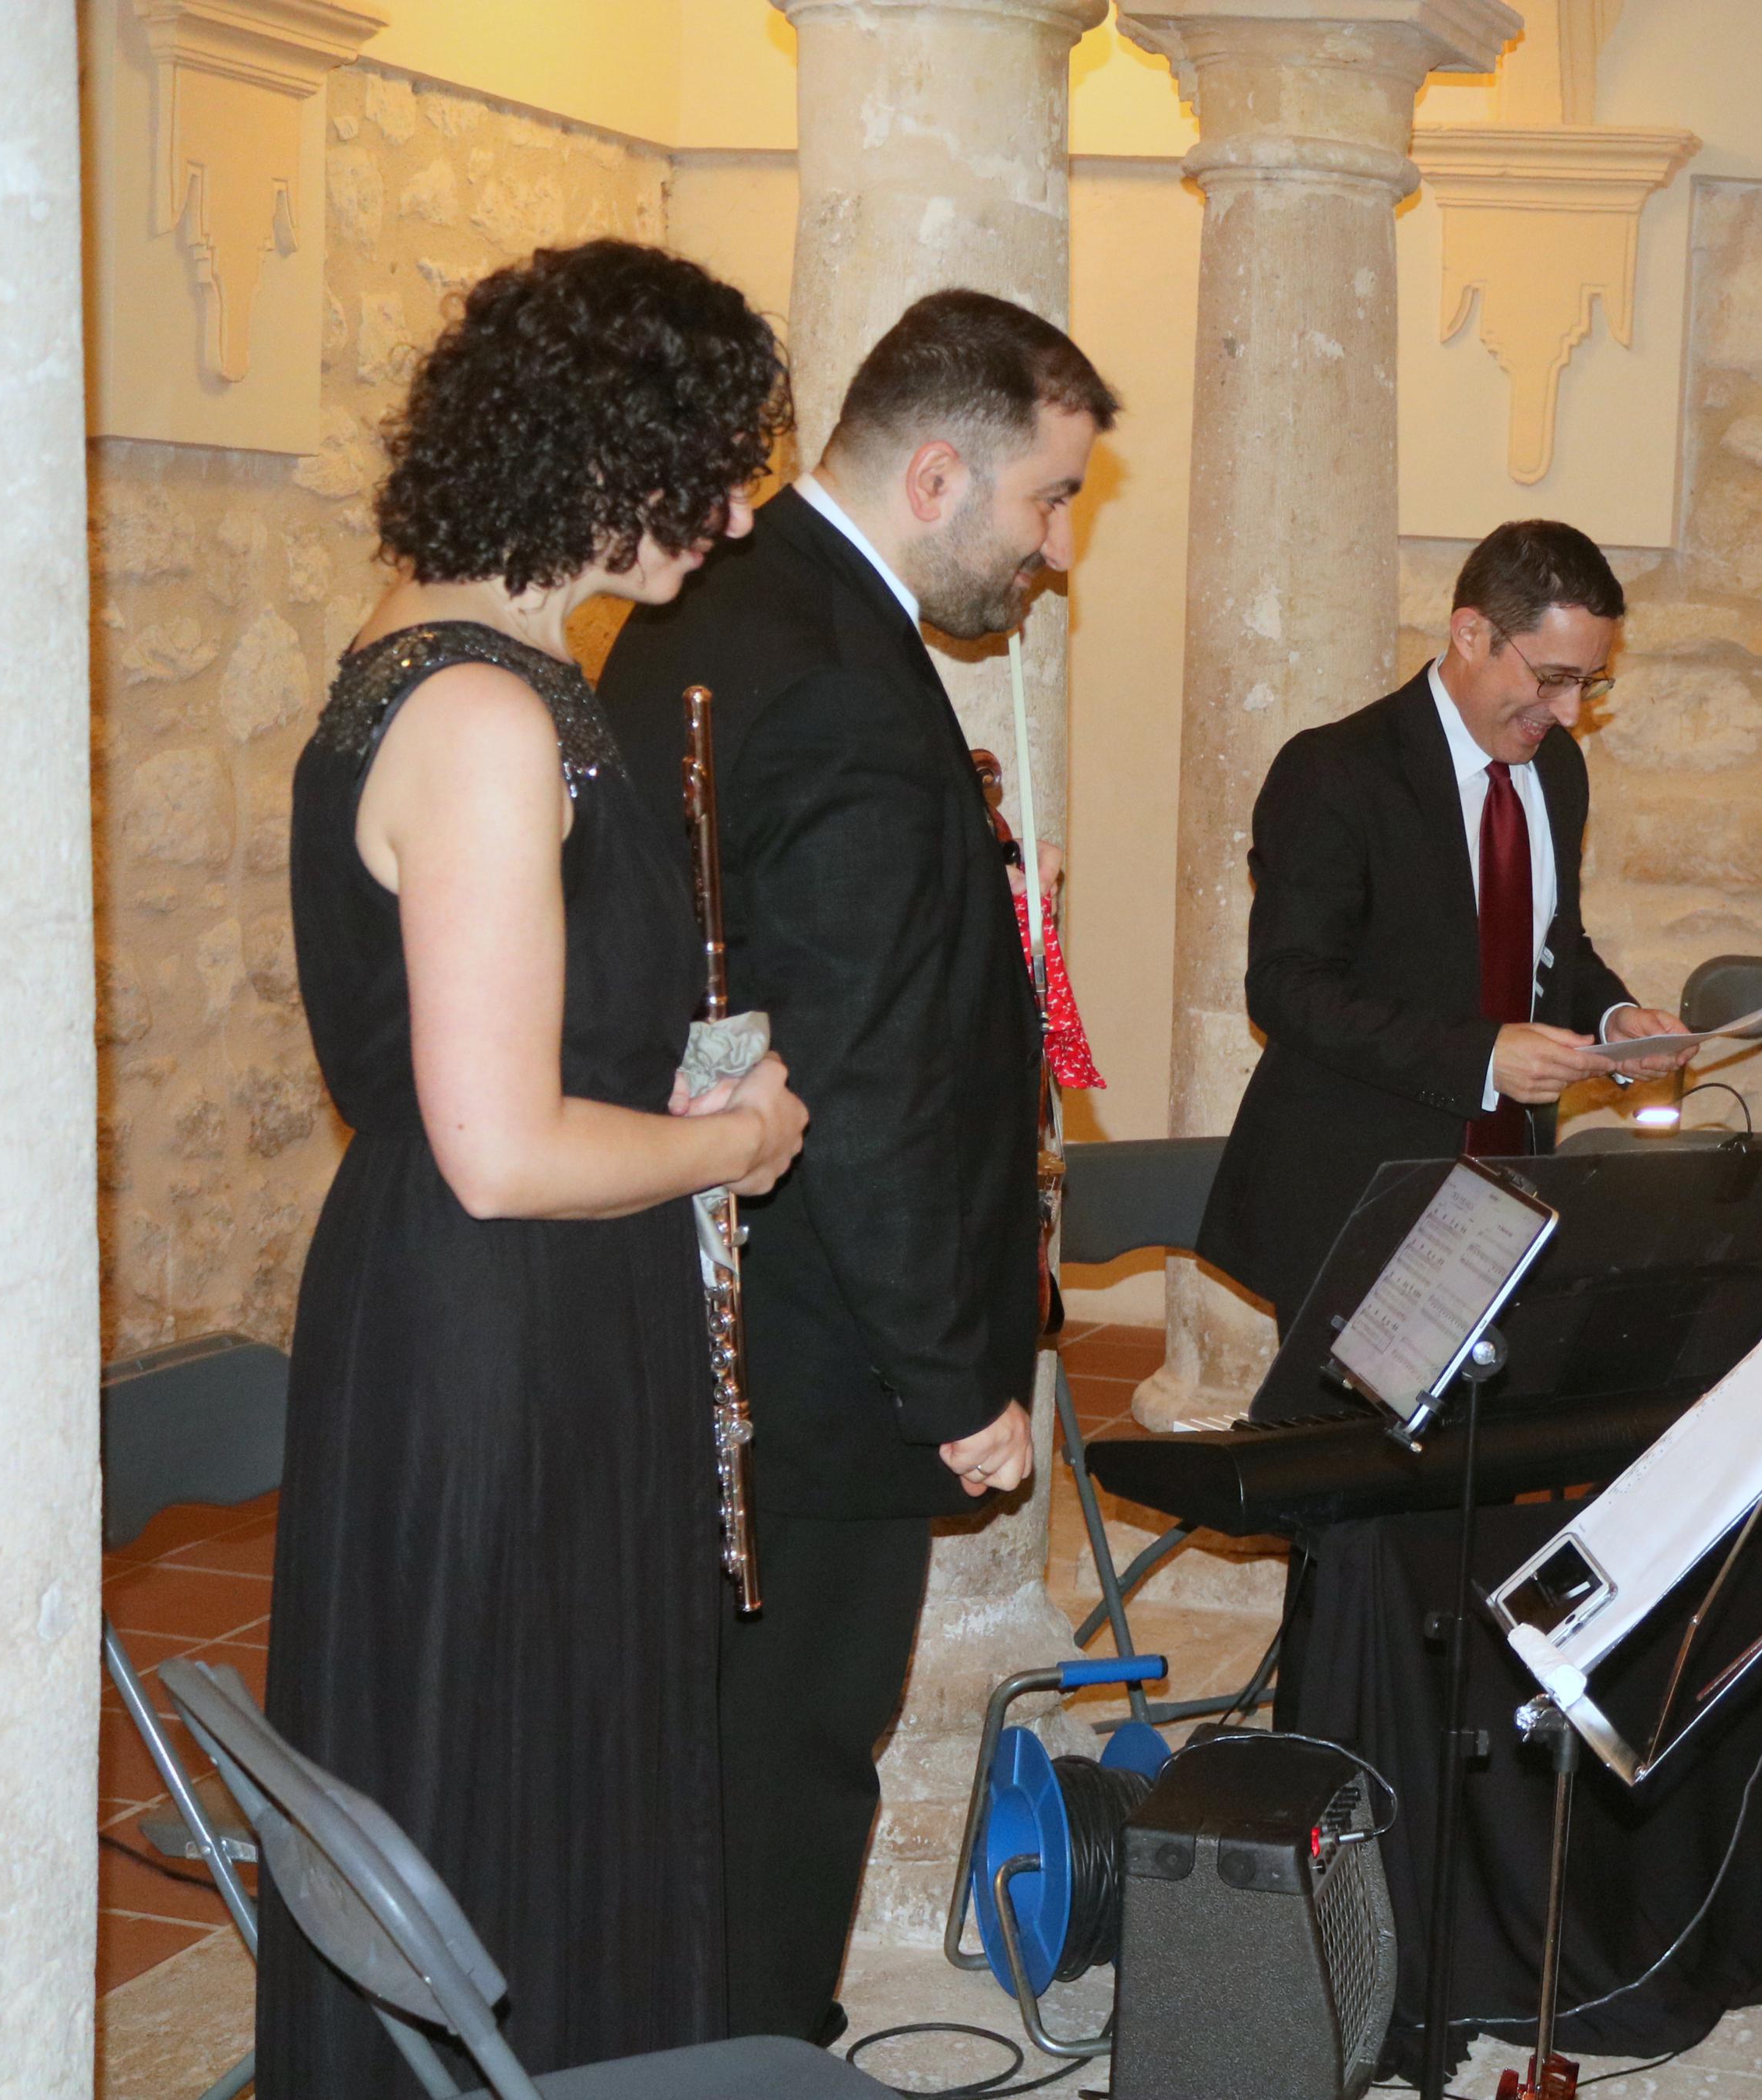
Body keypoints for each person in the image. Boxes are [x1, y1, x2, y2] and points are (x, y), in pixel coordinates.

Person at [265, 241, 807, 2091]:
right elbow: (498, 1147)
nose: (734, 516)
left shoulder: (448, 658)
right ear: (598, 449)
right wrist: (733, 1142)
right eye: (709, 468)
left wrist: (672, 1084)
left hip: (495, 1305)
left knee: (529, 1776)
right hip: (498, 1322)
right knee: (516, 1790)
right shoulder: (487, 716)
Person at [596, 288, 1114, 2044]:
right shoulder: (839, 685)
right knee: (791, 1758)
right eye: (1048, 500)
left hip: (699, 1299)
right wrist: (961, 1382)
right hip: (809, 1352)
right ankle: (752, 2061)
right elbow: (869, 1083)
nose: (1056, 549)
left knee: (707, 1749)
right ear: (939, 474)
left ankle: (694, 2045)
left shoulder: (720, 610)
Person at [1199, 520, 1691, 1323]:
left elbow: (1548, 942)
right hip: (1357, 1191)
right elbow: (1287, 987)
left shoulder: (1556, 769)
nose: (1569, 711)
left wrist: (1613, 1019)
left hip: (1508, 1191)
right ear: (1470, 633)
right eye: (1552, 677)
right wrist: (1483, 1055)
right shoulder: (1335, 771)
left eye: (1588, 682)